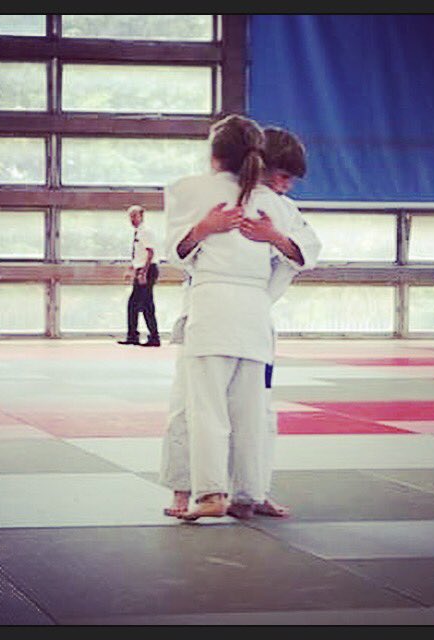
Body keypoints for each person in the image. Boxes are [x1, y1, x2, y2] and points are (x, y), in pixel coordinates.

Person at [160, 124, 321, 520]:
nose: (285, 185)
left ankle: (214, 491)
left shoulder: (190, 189)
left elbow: (176, 252)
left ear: (214, 154)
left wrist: (205, 229)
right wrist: (275, 238)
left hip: (213, 309)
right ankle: (247, 493)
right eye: (281, 175)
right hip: (251, 312)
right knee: (252, 410)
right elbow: (308, 254)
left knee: (205, 408)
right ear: (258, 159)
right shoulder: (276, 206)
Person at [117, 205, 160, 347]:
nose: (132, 219)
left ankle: (153, 337)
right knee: (135, 304)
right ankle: (134, 336)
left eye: (135, 216)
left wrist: (143, 272)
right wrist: (132, 269)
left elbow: (150, 253)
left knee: (144, 304)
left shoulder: (145, 232)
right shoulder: (138, 233)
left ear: (142, 216)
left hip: (147, 270)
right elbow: (139, 254)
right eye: (131, 216)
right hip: (141, 269)